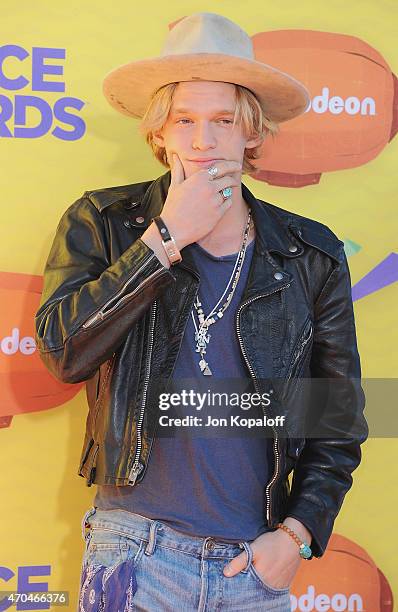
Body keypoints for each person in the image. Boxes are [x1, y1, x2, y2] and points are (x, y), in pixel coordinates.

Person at [35, 12, 368, 612]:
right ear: (159, 132)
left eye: (223, 121)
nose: (202, 140)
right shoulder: (105, 225)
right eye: (183, 120)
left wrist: (297, 534)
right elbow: (63, 353)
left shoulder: (310, 255)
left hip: (253, 565)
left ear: (252, 133)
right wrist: (163, 241)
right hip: (134, 550)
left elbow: (336, 418)